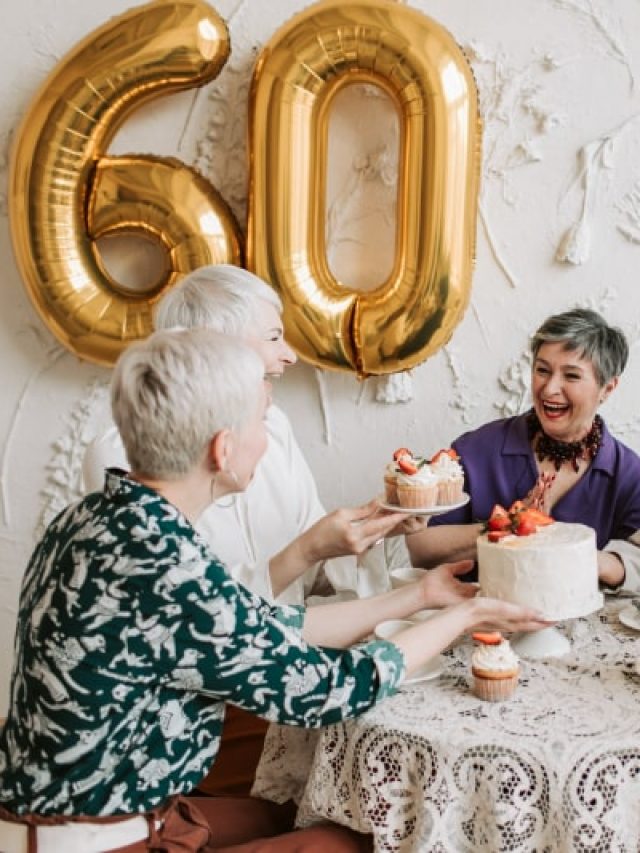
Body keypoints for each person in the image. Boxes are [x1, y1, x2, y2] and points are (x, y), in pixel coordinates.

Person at [0, 328, 549, 852]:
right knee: (363, 838)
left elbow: (265, 627)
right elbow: (332, 691)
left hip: (47, 811)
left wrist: (422, 596)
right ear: (222, 449)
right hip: (100, 837)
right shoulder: (172, 568)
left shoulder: (95, 517)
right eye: (263, 420)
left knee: (302, 808)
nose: (270, 437)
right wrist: (467, 614)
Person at [83, 265, 410, 606]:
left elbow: (314, 575)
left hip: (291, 646)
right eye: (273, 337)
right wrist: (307, 549)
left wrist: (377, 528)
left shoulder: (273, 425)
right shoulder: (120, 457)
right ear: (216, 351)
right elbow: (183, 612)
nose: (290, 355)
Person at [408, 308, 640, 591]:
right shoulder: (477, 450)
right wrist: (505, 526)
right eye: (542, 370)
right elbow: (420, 551)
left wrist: (593, 560)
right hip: (480, 620)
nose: (550, 388)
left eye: (571, 376)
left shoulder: (627, 471)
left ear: (607, 388)